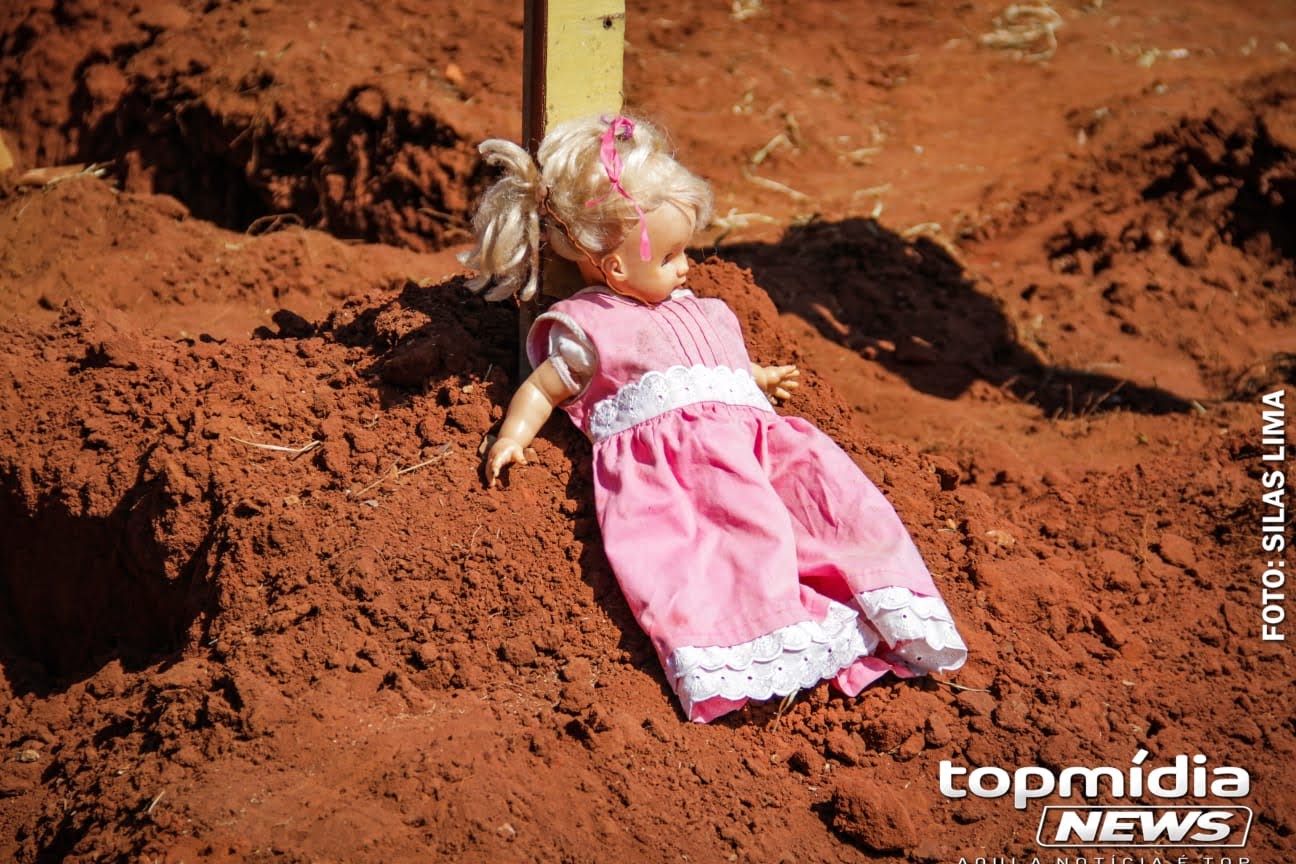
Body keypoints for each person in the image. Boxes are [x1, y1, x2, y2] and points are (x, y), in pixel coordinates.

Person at [460, 112, 967, 722]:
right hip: (689, 480)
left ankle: (864, 614)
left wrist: (756, 378)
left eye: (685, 251)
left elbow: (715, 367)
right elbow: (544, 387)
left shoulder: (705, 309)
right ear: (615, 268)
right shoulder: (592, 329)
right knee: (725, 558)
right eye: (671, 255)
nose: (686, 267)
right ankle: (764, 648)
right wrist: (513, 434)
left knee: (832, 520)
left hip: (766, 452)